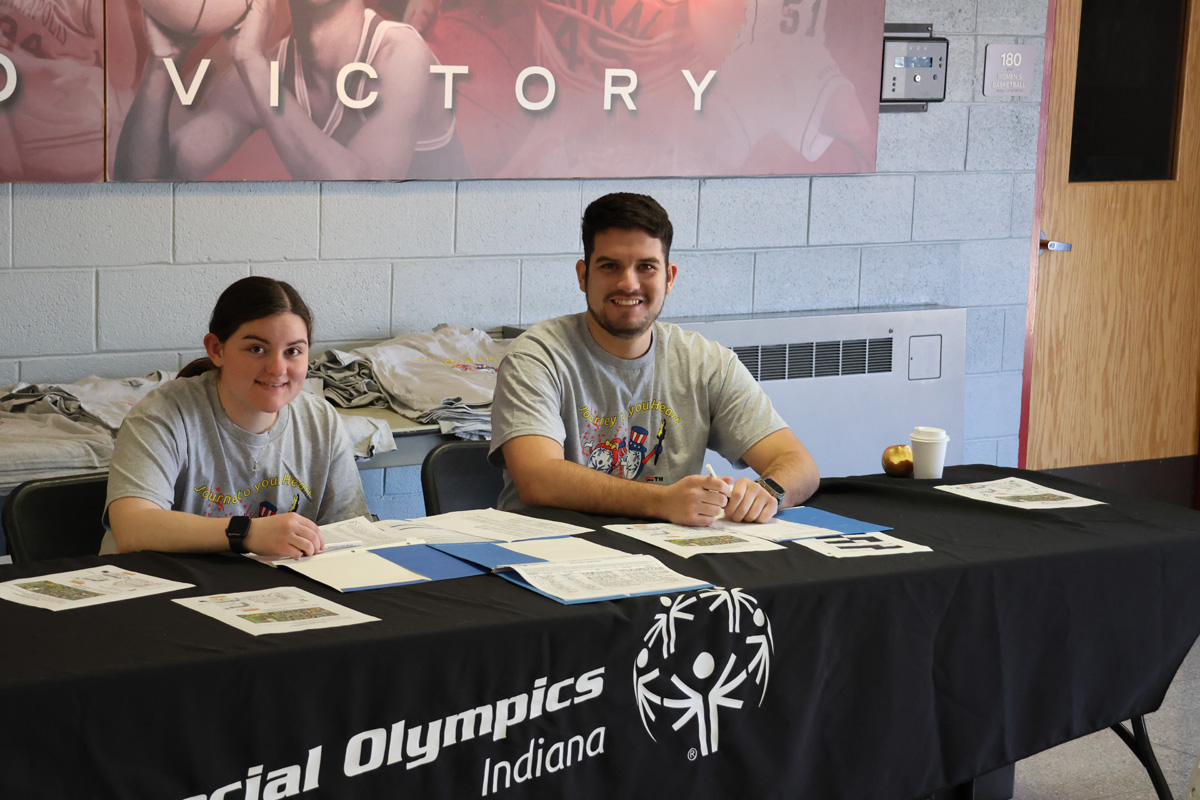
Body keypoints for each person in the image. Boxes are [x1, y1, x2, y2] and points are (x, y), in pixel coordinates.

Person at [489, 192, 820, 526]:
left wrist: (769, 492)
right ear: (583, 275)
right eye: (610, 266)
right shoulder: (535, 357)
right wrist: (663, 501)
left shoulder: (706, 363)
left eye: (646, 267)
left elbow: (799, 465)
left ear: (669, 277)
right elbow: (538, 479)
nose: (628, 283)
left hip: (668, 556)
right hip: (550, 556)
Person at [102, 276, 370, 557]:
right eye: (257, 349)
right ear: (217, 349)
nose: (278, 369)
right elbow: (132, 529)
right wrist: (248, 533)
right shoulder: (163, 414)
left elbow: (350, 534)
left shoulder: (321, 420)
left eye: (293, 351)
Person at [112, 0, 469, 180]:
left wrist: (251, 61)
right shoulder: (262, 72)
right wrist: (162, 62)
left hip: (449, 269)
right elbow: (146, 177)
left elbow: (364, 191)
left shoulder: (401, 52)